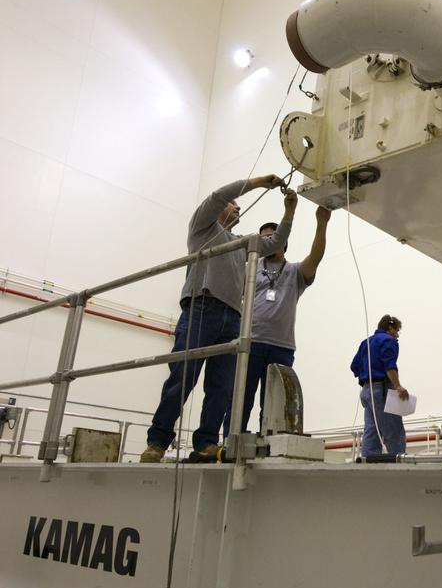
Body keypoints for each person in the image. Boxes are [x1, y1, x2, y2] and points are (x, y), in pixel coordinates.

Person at [140, 176, 292, 463]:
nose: (237, 207)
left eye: (237, 205)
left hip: (233, 318)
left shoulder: (240, 243)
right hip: (202, 308)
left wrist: (289, 210)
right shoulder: (202, 229)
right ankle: (157, 441)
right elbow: (218, 195)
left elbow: (276, 243)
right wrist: (260, 182)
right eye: (233, 204)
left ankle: (206, 442)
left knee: (221, 387)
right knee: (182, 379)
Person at [227, 200, 332, 434]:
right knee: (240, 399)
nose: (267, 242)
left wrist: (321, 224)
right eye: (263, 238)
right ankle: (230, 443)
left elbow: (315, 257)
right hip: (249, 343)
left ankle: (268, 443)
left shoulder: (295, 272)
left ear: (283, 240)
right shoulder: (249, 269)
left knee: (274, 403)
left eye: (272, 237)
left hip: (281, 347)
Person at [350, 314, 408, 458]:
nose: (397, 335)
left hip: (366, 392)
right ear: (390, 327)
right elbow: (390, 366)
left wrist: (367, 375)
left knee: (372, 431)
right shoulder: (388, 341)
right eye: (397, 331)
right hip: (381, 391)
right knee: (394, 431)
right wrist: (398, 386)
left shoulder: (366, 342)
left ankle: (368, 465)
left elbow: (354, 366)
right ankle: (400, 465)